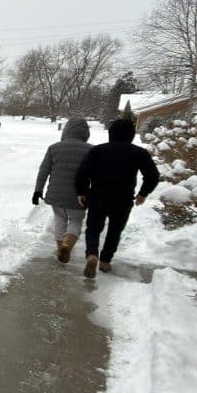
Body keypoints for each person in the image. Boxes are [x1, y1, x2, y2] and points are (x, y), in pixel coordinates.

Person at [75, 118, 160, 278]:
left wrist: (82, 191)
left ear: (111, 133)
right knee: (115, 230)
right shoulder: (139, 152)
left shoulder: (97, 151)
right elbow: (153, 176)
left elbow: (82, 173)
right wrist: (143, 193)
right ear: (132, 135)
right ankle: (105, 261)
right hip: (123, 199)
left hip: (98, 197)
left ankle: (92, 254)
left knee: (93, 228)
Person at [33, 117, 93, 263]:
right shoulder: (91, 150)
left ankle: (61, 249)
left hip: (56, 194)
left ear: (66, 131)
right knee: (76, 221)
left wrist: (38, 190)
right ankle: (67, 245)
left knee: (59, 220)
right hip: (79, 196)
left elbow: (43, 171)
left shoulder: (54, 148)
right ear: (86, 133)